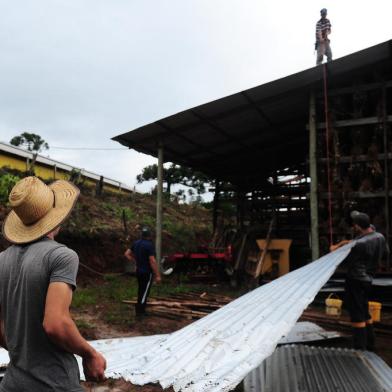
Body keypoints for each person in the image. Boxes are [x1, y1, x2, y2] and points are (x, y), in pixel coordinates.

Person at [0, 176, 106, 391]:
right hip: (54, 384)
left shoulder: (1, 260)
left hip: (13, 384)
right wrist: (90, 353)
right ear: (56, 216)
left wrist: (22, 351)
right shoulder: (61, 256)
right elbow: (55, 324)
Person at [331, 211, 386, 350]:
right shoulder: (379, 236)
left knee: (356, 313)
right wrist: (344, 242)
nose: (353, 227)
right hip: (368, 279)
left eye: (354, 225)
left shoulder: (359, 245)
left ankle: (360, 348)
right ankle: (370, 343)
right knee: (364, 309)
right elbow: (385, 253)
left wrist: (334, 249)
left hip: (355, 280)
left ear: (358, 226)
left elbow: (343, 260)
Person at [124, 227, 162, 316]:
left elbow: (126, 254)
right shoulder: (149, 245)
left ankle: (139, 309)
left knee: (141, 290)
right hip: (147, 272)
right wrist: (158, 275)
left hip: (138, 271)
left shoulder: (136, 243)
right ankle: (140, 311)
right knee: (145, 292)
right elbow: (152, 260)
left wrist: (135, 261)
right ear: (149, 236)